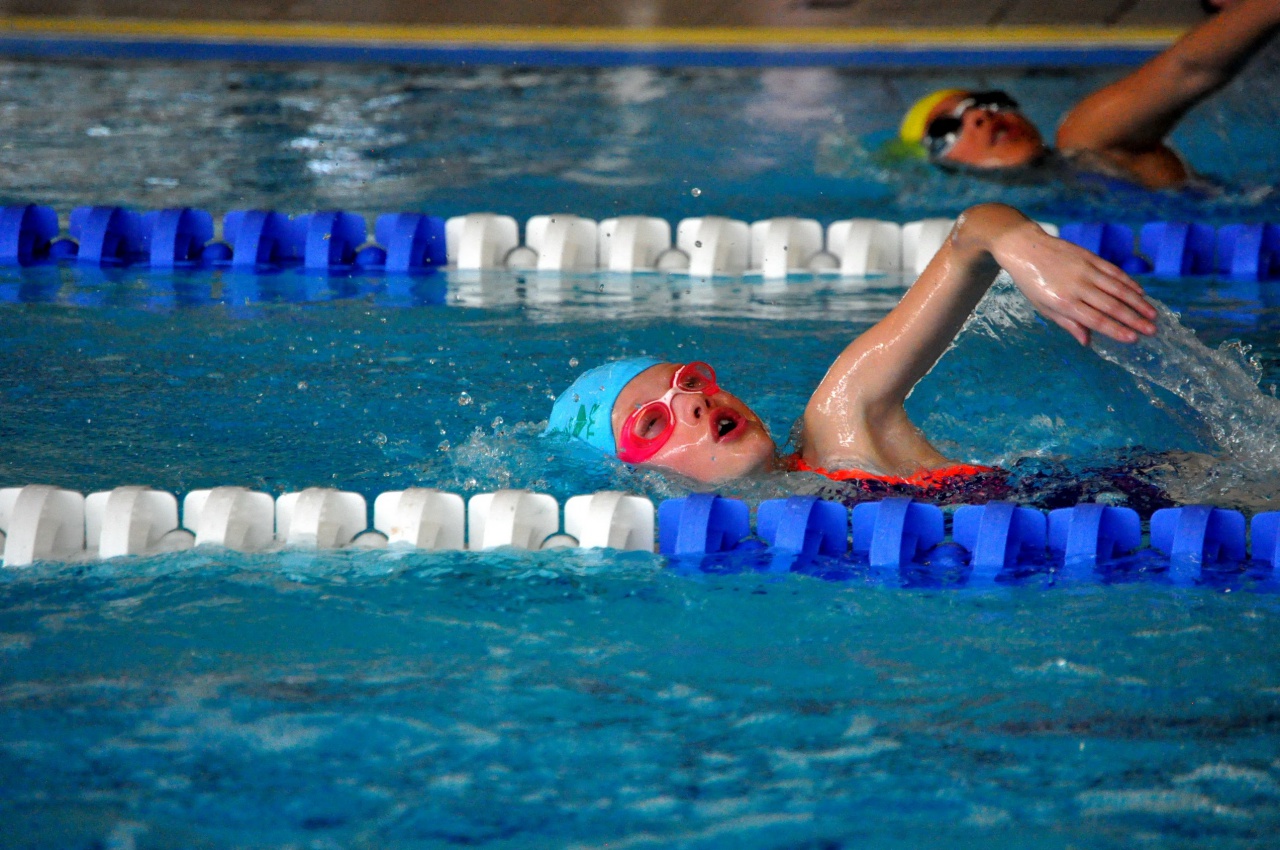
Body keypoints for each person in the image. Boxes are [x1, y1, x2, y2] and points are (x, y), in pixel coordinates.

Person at [546, 203, 1158, 486]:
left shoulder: (842, 424)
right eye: (653, 423)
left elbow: (970, 237)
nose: (693, 403)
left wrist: (1022, 244)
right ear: (631, 479)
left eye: (689, 382)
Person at [898, 0, 1280, 190]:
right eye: (946, 127)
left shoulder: (1089, 140)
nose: (981, 116)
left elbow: (1190, 69)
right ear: (934, 166)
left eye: (988, 100)